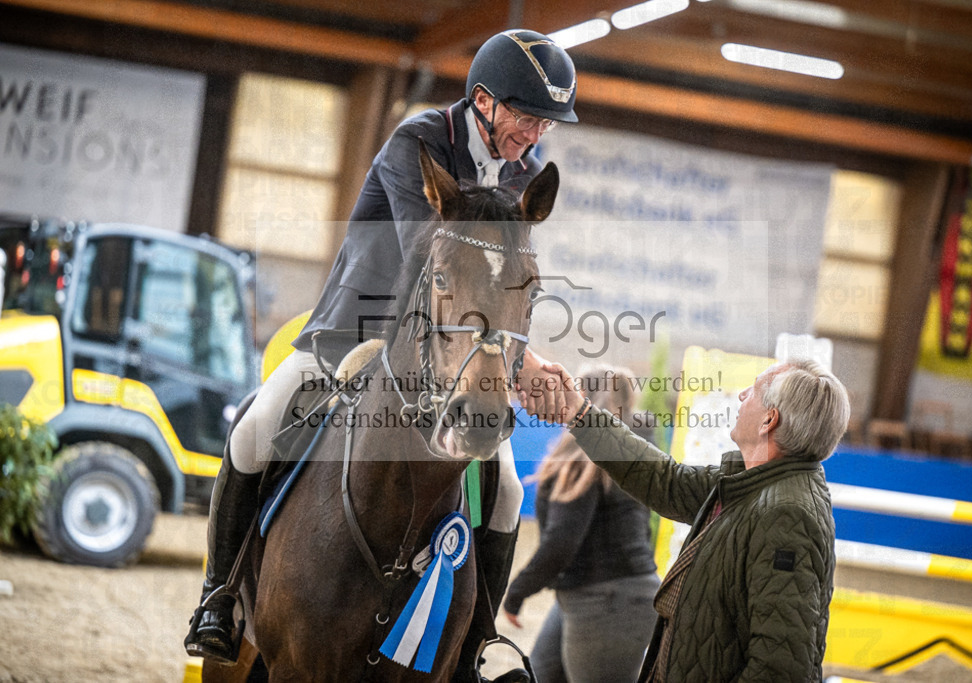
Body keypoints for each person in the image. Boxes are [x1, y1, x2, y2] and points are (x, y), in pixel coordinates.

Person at [184, 28, 578, 671]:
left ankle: (477, 644)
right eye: (529, 117)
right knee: (255, 427)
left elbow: (505, 280)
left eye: (545, 125)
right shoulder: (417, 142)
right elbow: (421, 258)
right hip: (356, 328)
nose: (534, 136)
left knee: (504, 487)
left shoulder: (523, 175)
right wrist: (520, 363)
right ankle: (217, 599)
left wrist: (512, 354)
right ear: (484, 101)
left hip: (452, 355)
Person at [518, 358, 849, 682]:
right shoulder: (750, 484)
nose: (741, 395)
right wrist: (580, 412)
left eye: (755, 391)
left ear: (769, 421)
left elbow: (780, 667)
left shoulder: (786, 515)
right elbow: (666, 480)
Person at [502, 365, 660, 683]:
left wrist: (515, 594)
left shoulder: (583, 457)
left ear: (581, 396)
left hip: (608, 600)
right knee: (543, 673)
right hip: (591, 593)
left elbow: (562, 541)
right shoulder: (631, 448)